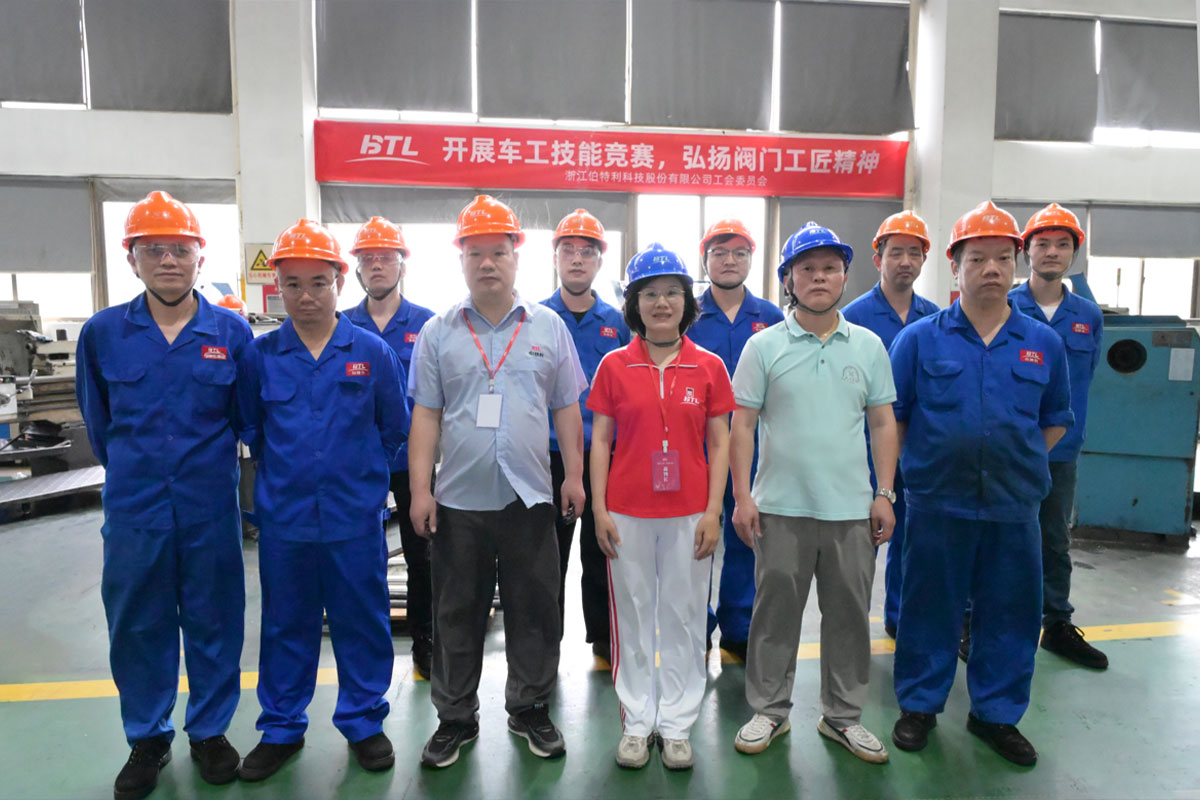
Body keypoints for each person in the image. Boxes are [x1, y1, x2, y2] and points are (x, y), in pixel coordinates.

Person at [76, 191, 252, 800]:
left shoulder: (231, 332)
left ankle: (209, 731)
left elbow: (244, 419)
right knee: (138, 624)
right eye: (154, 250)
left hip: (209, 509)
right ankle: (148, 738)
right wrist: (138, 472)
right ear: (132, 259)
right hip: (135, 510)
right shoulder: (103, 334)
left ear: (200, 257)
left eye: (180, 249)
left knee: (215, 618)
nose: (169, 260)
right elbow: (99, 424)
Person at [889, 202, 1073, 767]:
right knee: (929, 606)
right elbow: (895, 419)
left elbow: (1055, 419)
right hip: (936, 502)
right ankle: (920, 704)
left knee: (1010, 611)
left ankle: (995, 714)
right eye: (977, 258)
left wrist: (1011, 461)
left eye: (1002, 258)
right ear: (955, 266)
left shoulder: (1044, 343)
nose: (991, 268)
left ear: (1016, 263)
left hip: (1014, 505)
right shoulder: (920, 340)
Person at [408, 195, 587, 769]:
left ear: (516, 256)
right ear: (460, 259)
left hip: (529, 498)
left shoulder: (548, 327)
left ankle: (529, 708)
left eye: (498, 252)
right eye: (475, 253)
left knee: (534, 610)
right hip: (458, 502)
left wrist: (575, 476)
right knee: (456, 613)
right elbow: (426, 416)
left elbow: (566, 408)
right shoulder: (438, 332)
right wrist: (420, 490)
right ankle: (455, 718)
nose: (487, 263)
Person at [236, 219, 409, 780]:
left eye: (318, 282)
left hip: (353, 518)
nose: (306, 296)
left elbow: (394, 426)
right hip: (285, 521)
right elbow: (252, 428)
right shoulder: (261, 356)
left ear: (339, 281)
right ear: (278, 287)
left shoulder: (371, 352)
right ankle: (282, 728)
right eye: (292, 284)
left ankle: (363, 721)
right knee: (286, 623)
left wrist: (358, 477)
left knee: (362, 620)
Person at [730, 222, 897, 765]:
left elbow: (882, 423)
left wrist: (885, 492)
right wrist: (743, 497)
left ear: (845, 276)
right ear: (788, 279)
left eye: (830, 268)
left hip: (850, 509)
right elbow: (742, 425)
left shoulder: (868, 346)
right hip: (779, 507)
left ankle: (843, 716)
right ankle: (769, 711)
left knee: (848, 615)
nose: (819, 277)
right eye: (807, 268)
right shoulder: (763, 346)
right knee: (774, 614)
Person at [587, 243, 733, 770]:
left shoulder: (709, 366)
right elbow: (600, 441)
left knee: (685, 616)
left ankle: (675, 723)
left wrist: (714, 510)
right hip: (626, 512)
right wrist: (600, 510)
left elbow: (720, 442)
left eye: (673, 292)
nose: (662, 302)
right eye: (650, 294)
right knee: (631, 616)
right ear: (634, 304)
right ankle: (636, 722)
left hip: (690, 513)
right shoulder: (613, 365)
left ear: (688, 302)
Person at [1009, 203, 1107, 670]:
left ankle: (1057, 624)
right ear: (1026, 251)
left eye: (1062, 244)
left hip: (1060, 451)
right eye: (1042, 244)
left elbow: (1084, 379)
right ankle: (979, 618)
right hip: (1006, 449)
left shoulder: (1088, 315)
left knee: (1054, 539)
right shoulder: (1005, 306)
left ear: (1074, 253)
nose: (1052, 252)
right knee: (994, 536)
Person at [343, 216, 437, 677]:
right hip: (356, 461)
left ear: (402, 264)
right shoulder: (341, 324)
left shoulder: (427, 324)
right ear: (357, 269)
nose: (377, 265)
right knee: (359, 555)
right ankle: (366, 643)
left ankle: (425, 640)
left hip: (412, 460)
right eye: (368, 259)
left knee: (422, 554)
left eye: (386, 257)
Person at [687, 218, 784, 660]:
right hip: (697, 447)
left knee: (747, 531)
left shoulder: (772, 318)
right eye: (720, 253)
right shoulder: (687, 313)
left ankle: (739, 624)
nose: (730, 261)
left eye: (739, 253)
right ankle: (696, 623)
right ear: (705, 259)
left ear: (751, 259)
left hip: (753, 447)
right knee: (698, 535)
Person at [841, 210, 940, 640]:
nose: (905, 261)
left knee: (912, 539)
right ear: (878, 258)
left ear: (924, 260)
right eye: (896, 252)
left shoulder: (937, 319)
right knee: (858, 542)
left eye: (914, 253)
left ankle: (900, 617)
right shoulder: (852, 318)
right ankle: (850, 626)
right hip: (864, 451)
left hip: (919, 450)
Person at [539, 208, 630, 665]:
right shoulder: (535, 319)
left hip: (604, 454)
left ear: (599, 261)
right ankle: (545, 641)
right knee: (546, 555)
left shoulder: (619, 322)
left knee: (601, 548)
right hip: (547, 454)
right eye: (569, 250)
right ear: (555, 257)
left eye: (587, 251)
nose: (577, 259)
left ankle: (603, 637)